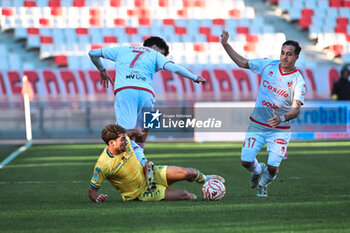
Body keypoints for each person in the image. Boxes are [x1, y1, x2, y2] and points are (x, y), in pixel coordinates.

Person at [88, 36, 207, 190]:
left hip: (126, 92)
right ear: (155, 47)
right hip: (147, 93)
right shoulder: (155, 54)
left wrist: (102, 70)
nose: (162, 59)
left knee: (122, 134)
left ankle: (143, 163)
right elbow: (174, 68)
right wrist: (194, 77)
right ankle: (142, 155)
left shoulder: (122, 49)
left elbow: (92, 53)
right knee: (146, 125)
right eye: (163, 54)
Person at [220, 30, 306, 197]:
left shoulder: (298, 81)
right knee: (246, 161)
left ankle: (263, 184)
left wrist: (281, 118)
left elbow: (296, 110)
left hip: (279, 129)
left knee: (273, 167)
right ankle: (257, 171)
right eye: (282, 53)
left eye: (289, 54)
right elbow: (242, 62)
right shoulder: (268, 65)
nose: (284, 57)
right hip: (257, 125)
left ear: (296, 57)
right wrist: (225, 44)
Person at [88, 124, 225, 202]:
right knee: (185, 195)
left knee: (189, 172)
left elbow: (128, 134)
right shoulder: (103, 165)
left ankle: (206, 179)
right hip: (141, 192)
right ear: (111, 143)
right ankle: (207, 195)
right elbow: (92, 191)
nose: (126, 141)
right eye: (122, 140)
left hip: (150, 173)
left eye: (125, 138)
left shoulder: (125, 140)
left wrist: (135, 131)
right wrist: (97, 198)